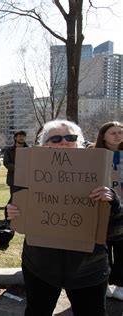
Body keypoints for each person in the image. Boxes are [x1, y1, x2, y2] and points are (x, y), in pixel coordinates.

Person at [7, 119, 121, 316]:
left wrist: (113, 202)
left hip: (89, 268)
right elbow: (16, 208)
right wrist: (10, 212)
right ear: (44, 145)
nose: (64, 142)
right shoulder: (32, 173)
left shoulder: (99, 172)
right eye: (56, 138)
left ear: (79, 142)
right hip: (41, 266)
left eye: (70, 137)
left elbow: (117, 230)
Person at [94, 121, 123, 300]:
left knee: (122, 250)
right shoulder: (94, 156)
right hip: (101, 211)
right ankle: (102, 284)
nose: (118, 135)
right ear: (103, 135)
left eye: (120, 132)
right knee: (101, 251)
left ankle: (120, 285)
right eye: (113, 132)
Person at [3, 130, 28, 219]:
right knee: (14, 198)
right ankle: (8, 215)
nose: (22, 138)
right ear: (15, 138)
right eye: (20, 136)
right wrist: (18, 168)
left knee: (25, 198)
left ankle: (23, 216)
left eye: (23, 136)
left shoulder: (30, 149)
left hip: (27, 179)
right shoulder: (9, 150)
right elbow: (6, 163)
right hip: (13, 179)